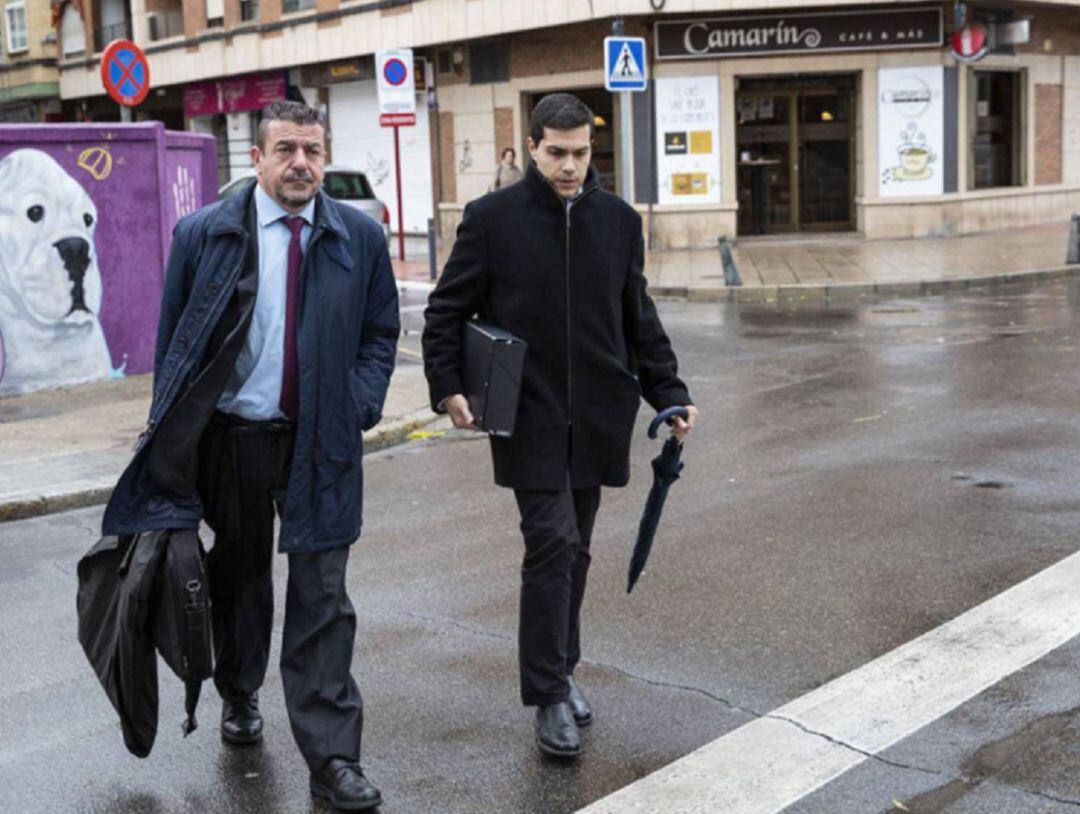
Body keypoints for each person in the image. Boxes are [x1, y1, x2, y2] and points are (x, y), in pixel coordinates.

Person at [102, 100, 399, 811]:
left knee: (323, 598)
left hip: (321, 442)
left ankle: (332, 760)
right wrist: (168, 444)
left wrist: (358, 403)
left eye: (314, 150)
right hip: (233, 439)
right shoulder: (206, 233)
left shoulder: (359, 236)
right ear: (258, 160)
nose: (302, 163)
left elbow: (381, 332)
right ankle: (240, 693)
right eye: (288, 149)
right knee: (238, 581)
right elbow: (174, 348)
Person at [422, 93, 698, 759]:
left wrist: (669, 391)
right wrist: (447, 387)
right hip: (527, 410)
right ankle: (547, 693)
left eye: (580, 154)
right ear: (532, 148)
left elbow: (639, 318)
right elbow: (445, 309)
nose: (570, 167)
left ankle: (563, 668)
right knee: (549, 544)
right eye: (556, 154)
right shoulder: (492, 220)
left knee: (574, 549)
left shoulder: (619, 222)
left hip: (599, 413)